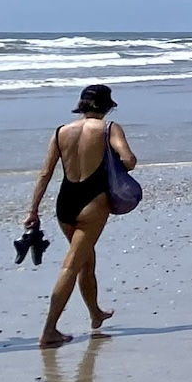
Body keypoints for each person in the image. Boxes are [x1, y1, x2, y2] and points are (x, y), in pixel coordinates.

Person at [25, 83, 137, 349]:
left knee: (86, 259)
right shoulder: (109, 129)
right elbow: (129, 159)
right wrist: (116, 165)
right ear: (107, 106)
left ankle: (95, 313)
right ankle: (49, 330)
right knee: (72, 265)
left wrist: (33, 210)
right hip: (92, 204)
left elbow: (45, 173)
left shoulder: (61, 131)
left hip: (65, 204)